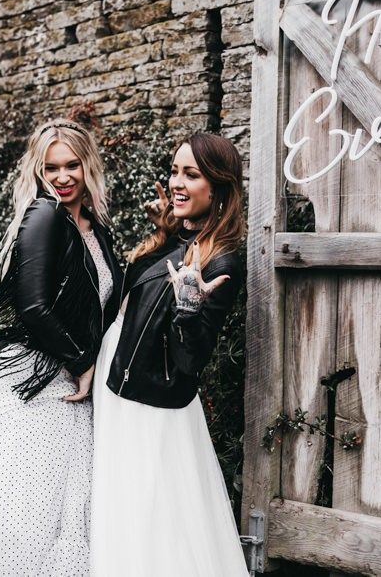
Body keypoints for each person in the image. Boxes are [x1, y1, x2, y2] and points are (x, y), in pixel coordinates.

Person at [0, 116, 123, 576]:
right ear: (38, 173)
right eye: (51, 168)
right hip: (35, 384)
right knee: (15, 517)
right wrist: (82, 362)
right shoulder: (44, 216)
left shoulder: (96, 232)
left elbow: (107, 303)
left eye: (72, 165)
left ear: (88, 166)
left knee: (65, 517)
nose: (62, 177)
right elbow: (33, 306)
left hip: (73, 391)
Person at [90, 133, 249, 577]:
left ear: (218, 188)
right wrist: (162, 234)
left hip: (152, 402)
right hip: (119, 383)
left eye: (191, 174)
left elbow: (189, 360)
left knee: (155, 515)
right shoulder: (180, 241)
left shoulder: (222, 263)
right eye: (175, 170)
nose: (177, 182)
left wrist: (189, 306)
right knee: (124, 507)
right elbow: (130, 299)